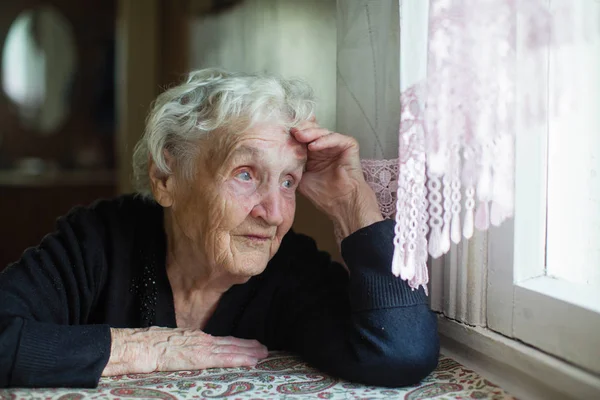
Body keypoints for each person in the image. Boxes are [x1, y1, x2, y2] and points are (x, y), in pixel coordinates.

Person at [0, 69, 439, 388]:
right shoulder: (99, 241)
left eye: (288, 181)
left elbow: (399, 352)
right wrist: (141, 347)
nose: (272, 213)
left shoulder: (288, 271)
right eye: (246, 173)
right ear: (166, 179)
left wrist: (352, 204)